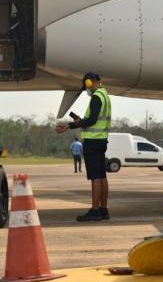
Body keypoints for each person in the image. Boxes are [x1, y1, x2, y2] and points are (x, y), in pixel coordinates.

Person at [56, 72, 111, 222]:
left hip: (93, 142)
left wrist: (74, 123)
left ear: (89, 82)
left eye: (86, 85)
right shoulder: (105, 95)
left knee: (95, 177)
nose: (86, 89)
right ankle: (103, 209)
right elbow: (93, 120)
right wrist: (76, 123)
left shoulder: (96, 97)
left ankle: (94, 210)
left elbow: (91, 121)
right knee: (102, 176)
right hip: (101, 140)